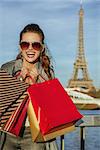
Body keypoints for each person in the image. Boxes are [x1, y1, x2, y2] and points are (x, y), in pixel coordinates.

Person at [0, 24, 58, 150]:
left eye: (35, 45)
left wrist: (36, 84)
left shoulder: (47, 73)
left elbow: (52, 111)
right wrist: (19, 82)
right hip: (7, 132)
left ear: (42, 48)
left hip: (34, 133)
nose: (30, 49)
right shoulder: (7, 68)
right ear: (20, 47)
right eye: (25, 44)